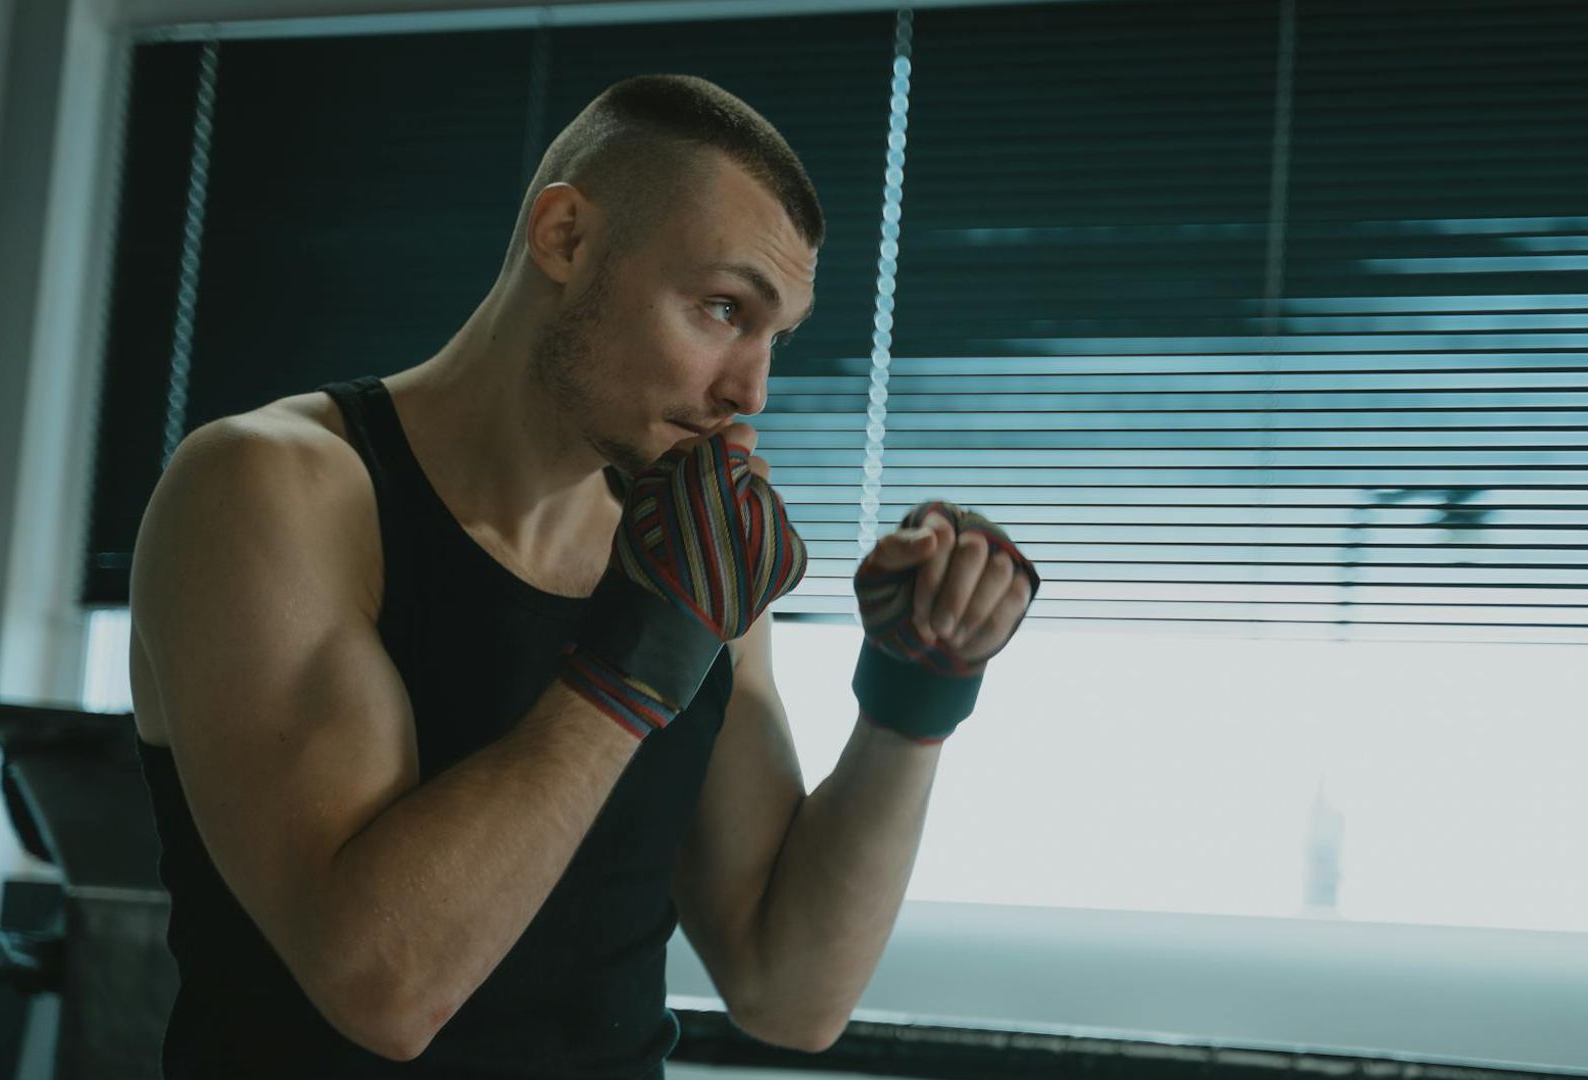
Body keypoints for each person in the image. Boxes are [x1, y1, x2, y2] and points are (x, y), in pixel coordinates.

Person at [126, 73, 1039, 1079]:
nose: (752, 390)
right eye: (724, 307)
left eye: (775, 335)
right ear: (564, 237)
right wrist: (638, 656)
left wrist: (912, 693)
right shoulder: (272, 486)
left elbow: (791, 994)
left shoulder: (685, 558)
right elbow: (383, 988)